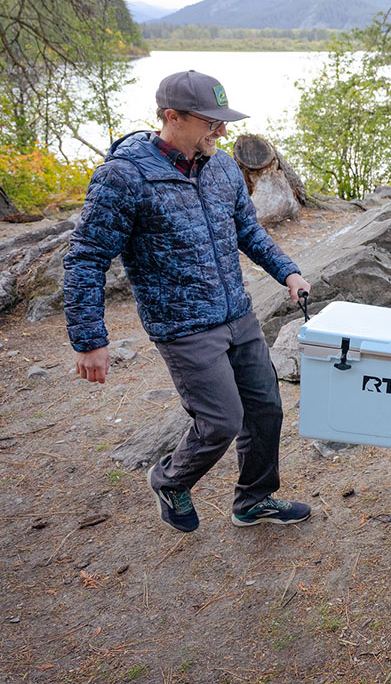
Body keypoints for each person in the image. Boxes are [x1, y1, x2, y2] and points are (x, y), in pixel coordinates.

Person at [63, 70, 312, 533]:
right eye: (210, 122)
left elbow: (248, 230)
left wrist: (288, 271)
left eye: (222, 121)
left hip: (237, 313)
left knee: (265, 410)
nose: (222, 131)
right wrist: (88, 339)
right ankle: (171, 480)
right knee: (221, 421)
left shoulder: (220, 167)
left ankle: (253, 502)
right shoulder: (124, 176)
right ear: (171, 117)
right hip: (182, 326)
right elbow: (86, 257)